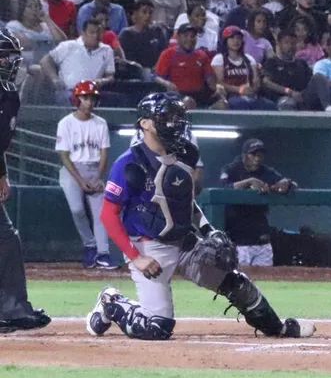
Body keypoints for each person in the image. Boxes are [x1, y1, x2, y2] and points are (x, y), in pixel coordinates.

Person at [85, 93, 316, 340]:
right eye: (165, 117)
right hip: (149, 247)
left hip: (185, 242)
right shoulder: (129, 163)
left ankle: (277, 327)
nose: (172, 123)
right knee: (157, 327)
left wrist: (209, 231)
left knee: (237, 284)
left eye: (175, 117)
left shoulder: (186, 156)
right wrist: (135, 258)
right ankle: (112, 302)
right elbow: (108, 214)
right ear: (145, 123)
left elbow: (185, 202)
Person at [0, 29, 52, 334]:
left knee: (6, 239)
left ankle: (12, 308)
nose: (11, 62)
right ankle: (12, 308)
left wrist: (2, 173)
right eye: (5, 56)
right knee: (5, 239)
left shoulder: (8, 93)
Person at [56, 80, 114, 270]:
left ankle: (103, 253)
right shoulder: (65, 123)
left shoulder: (100, 123)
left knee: (100, 214)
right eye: (85, 97)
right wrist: (80, 180)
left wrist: (98, 177)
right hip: (72, 170)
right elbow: (64, 156)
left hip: (93, 168)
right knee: (77, 210)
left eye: (92, 98)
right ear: (77, 98)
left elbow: (104, 153)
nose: (89, 101)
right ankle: (90, 245)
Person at [220, 139, 295, 267]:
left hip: (261, 240)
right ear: (244, 156)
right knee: (238, 282)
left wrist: (286, 183)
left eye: (260, 155)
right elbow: (222, 188)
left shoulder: (266, 171)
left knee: (266, 281)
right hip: (237, 240)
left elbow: (290, 184)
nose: (257, 158)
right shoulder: (232, 169)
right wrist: (249, 182)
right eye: (253, 154)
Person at [262, 30, 331, 112]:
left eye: (293, 43)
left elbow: (313, 80)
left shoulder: (301, 63)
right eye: (286, 43)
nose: (290, 46)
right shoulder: (272, 62)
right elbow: (266, 82)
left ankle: (328, 108)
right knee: (287, 103)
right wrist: (289, 91)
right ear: (279, 45)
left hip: (302, 98)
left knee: (319, 77)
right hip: (283, 98)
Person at [40, 19, 116, 106]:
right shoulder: (68, 46)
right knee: (67, 98)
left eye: (99, 33)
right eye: (92, 32)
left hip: (92, 93)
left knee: (117, 99)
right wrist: (54, 78)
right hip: (68, 91)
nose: (96, 36)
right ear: (83, 33)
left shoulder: (107, 50)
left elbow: (110, 76)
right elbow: (45, 61)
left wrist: (101, 81)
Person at [154, 24, 227, 110]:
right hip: (177, 95)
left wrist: (217, 87)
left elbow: (211, 81)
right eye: (185, 36)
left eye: (192, 36)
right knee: (188, 102)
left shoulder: (202, 55)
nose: (189, 39)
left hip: (199, 94)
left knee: (223, 104)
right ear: (178, 37)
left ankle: (208, 116)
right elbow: (157, 77)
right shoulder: (168, 54)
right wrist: (167, 83)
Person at [213, 26, 275, 111]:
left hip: (250, 95)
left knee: (271, 106)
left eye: (238, 38)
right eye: (232, 38)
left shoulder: (249, 59)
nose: (236, 41)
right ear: (225, 41)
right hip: (230, 96)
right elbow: (219, 82)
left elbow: (255, 81)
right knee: (240, 103)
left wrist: (254, 88)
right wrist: (239, 90)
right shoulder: (219, 59)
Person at [118, 0, 167, 73]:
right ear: (135, 13)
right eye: (144, 12)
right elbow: (124, 59)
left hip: (156, 72)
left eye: (150, 13)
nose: (148, 15)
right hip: (133, 74)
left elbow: (164, 53)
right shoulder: (126, 34)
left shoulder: (157, 31)